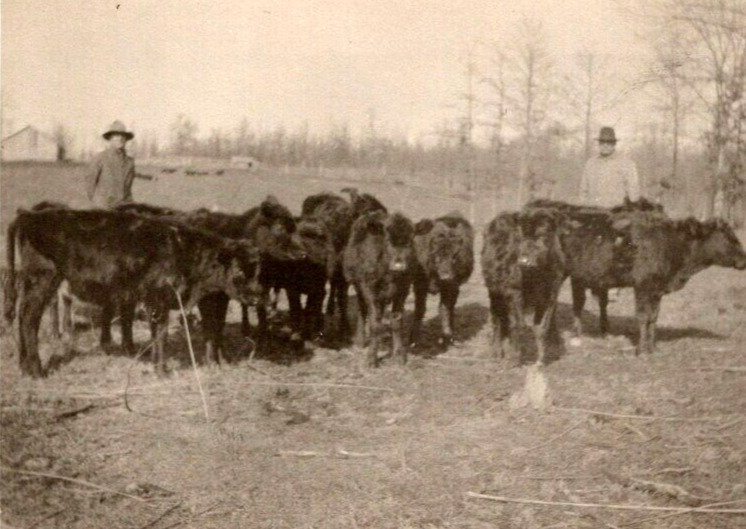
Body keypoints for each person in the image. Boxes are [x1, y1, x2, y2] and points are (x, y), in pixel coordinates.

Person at [579, 126, 640, 208]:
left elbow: (633, 192)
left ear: (614, 144)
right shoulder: (590, 164)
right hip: (594, 213)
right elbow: (583, 191)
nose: (605, 145)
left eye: (609, 143)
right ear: (599, 144)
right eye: (602, 142)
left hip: (617, 214)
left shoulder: (627, 164)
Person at [86, 120, 136, 208]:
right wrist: (98, 205)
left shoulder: (130, 162)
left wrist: (129, 204)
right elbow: (90, 184)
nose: (120, 138)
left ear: (126, 139)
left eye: (123, 136)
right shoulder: (100, 158)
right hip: (104, 209)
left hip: (125, 208)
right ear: (110, 138)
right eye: (116, 135)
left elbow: (128, 189)